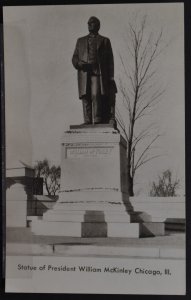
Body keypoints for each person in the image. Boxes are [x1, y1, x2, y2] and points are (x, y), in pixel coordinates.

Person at [72, 16, 117, 125]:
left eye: (92, 23)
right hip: (84, 73)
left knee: (96, 94)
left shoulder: (105, 41)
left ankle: (97, 119)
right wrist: (78, 63)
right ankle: (87, 121)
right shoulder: (80, 41)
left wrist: (111, 77)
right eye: (88, 23)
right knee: (85, 96)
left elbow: (110, 60)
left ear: (98, 25)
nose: (89, 24)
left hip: (98, 73)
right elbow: (74, 57)